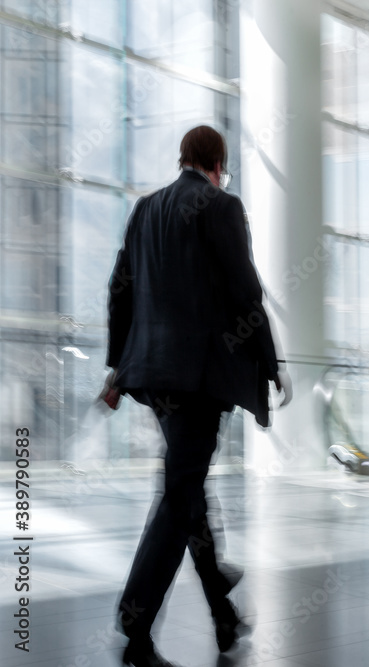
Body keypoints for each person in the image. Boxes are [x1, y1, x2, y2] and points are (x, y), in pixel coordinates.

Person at [106, 125, 291, 666]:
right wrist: (269, 360)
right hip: (197, 379)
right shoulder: (221, 205)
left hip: (153, 378)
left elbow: (120, 288)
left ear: (183, 157)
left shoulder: (145, 210)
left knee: (187, 488)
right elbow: (244, 289)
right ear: (217, 164)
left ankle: (222, 610)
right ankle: (134, 621)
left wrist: (119, 367)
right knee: (178, 493)